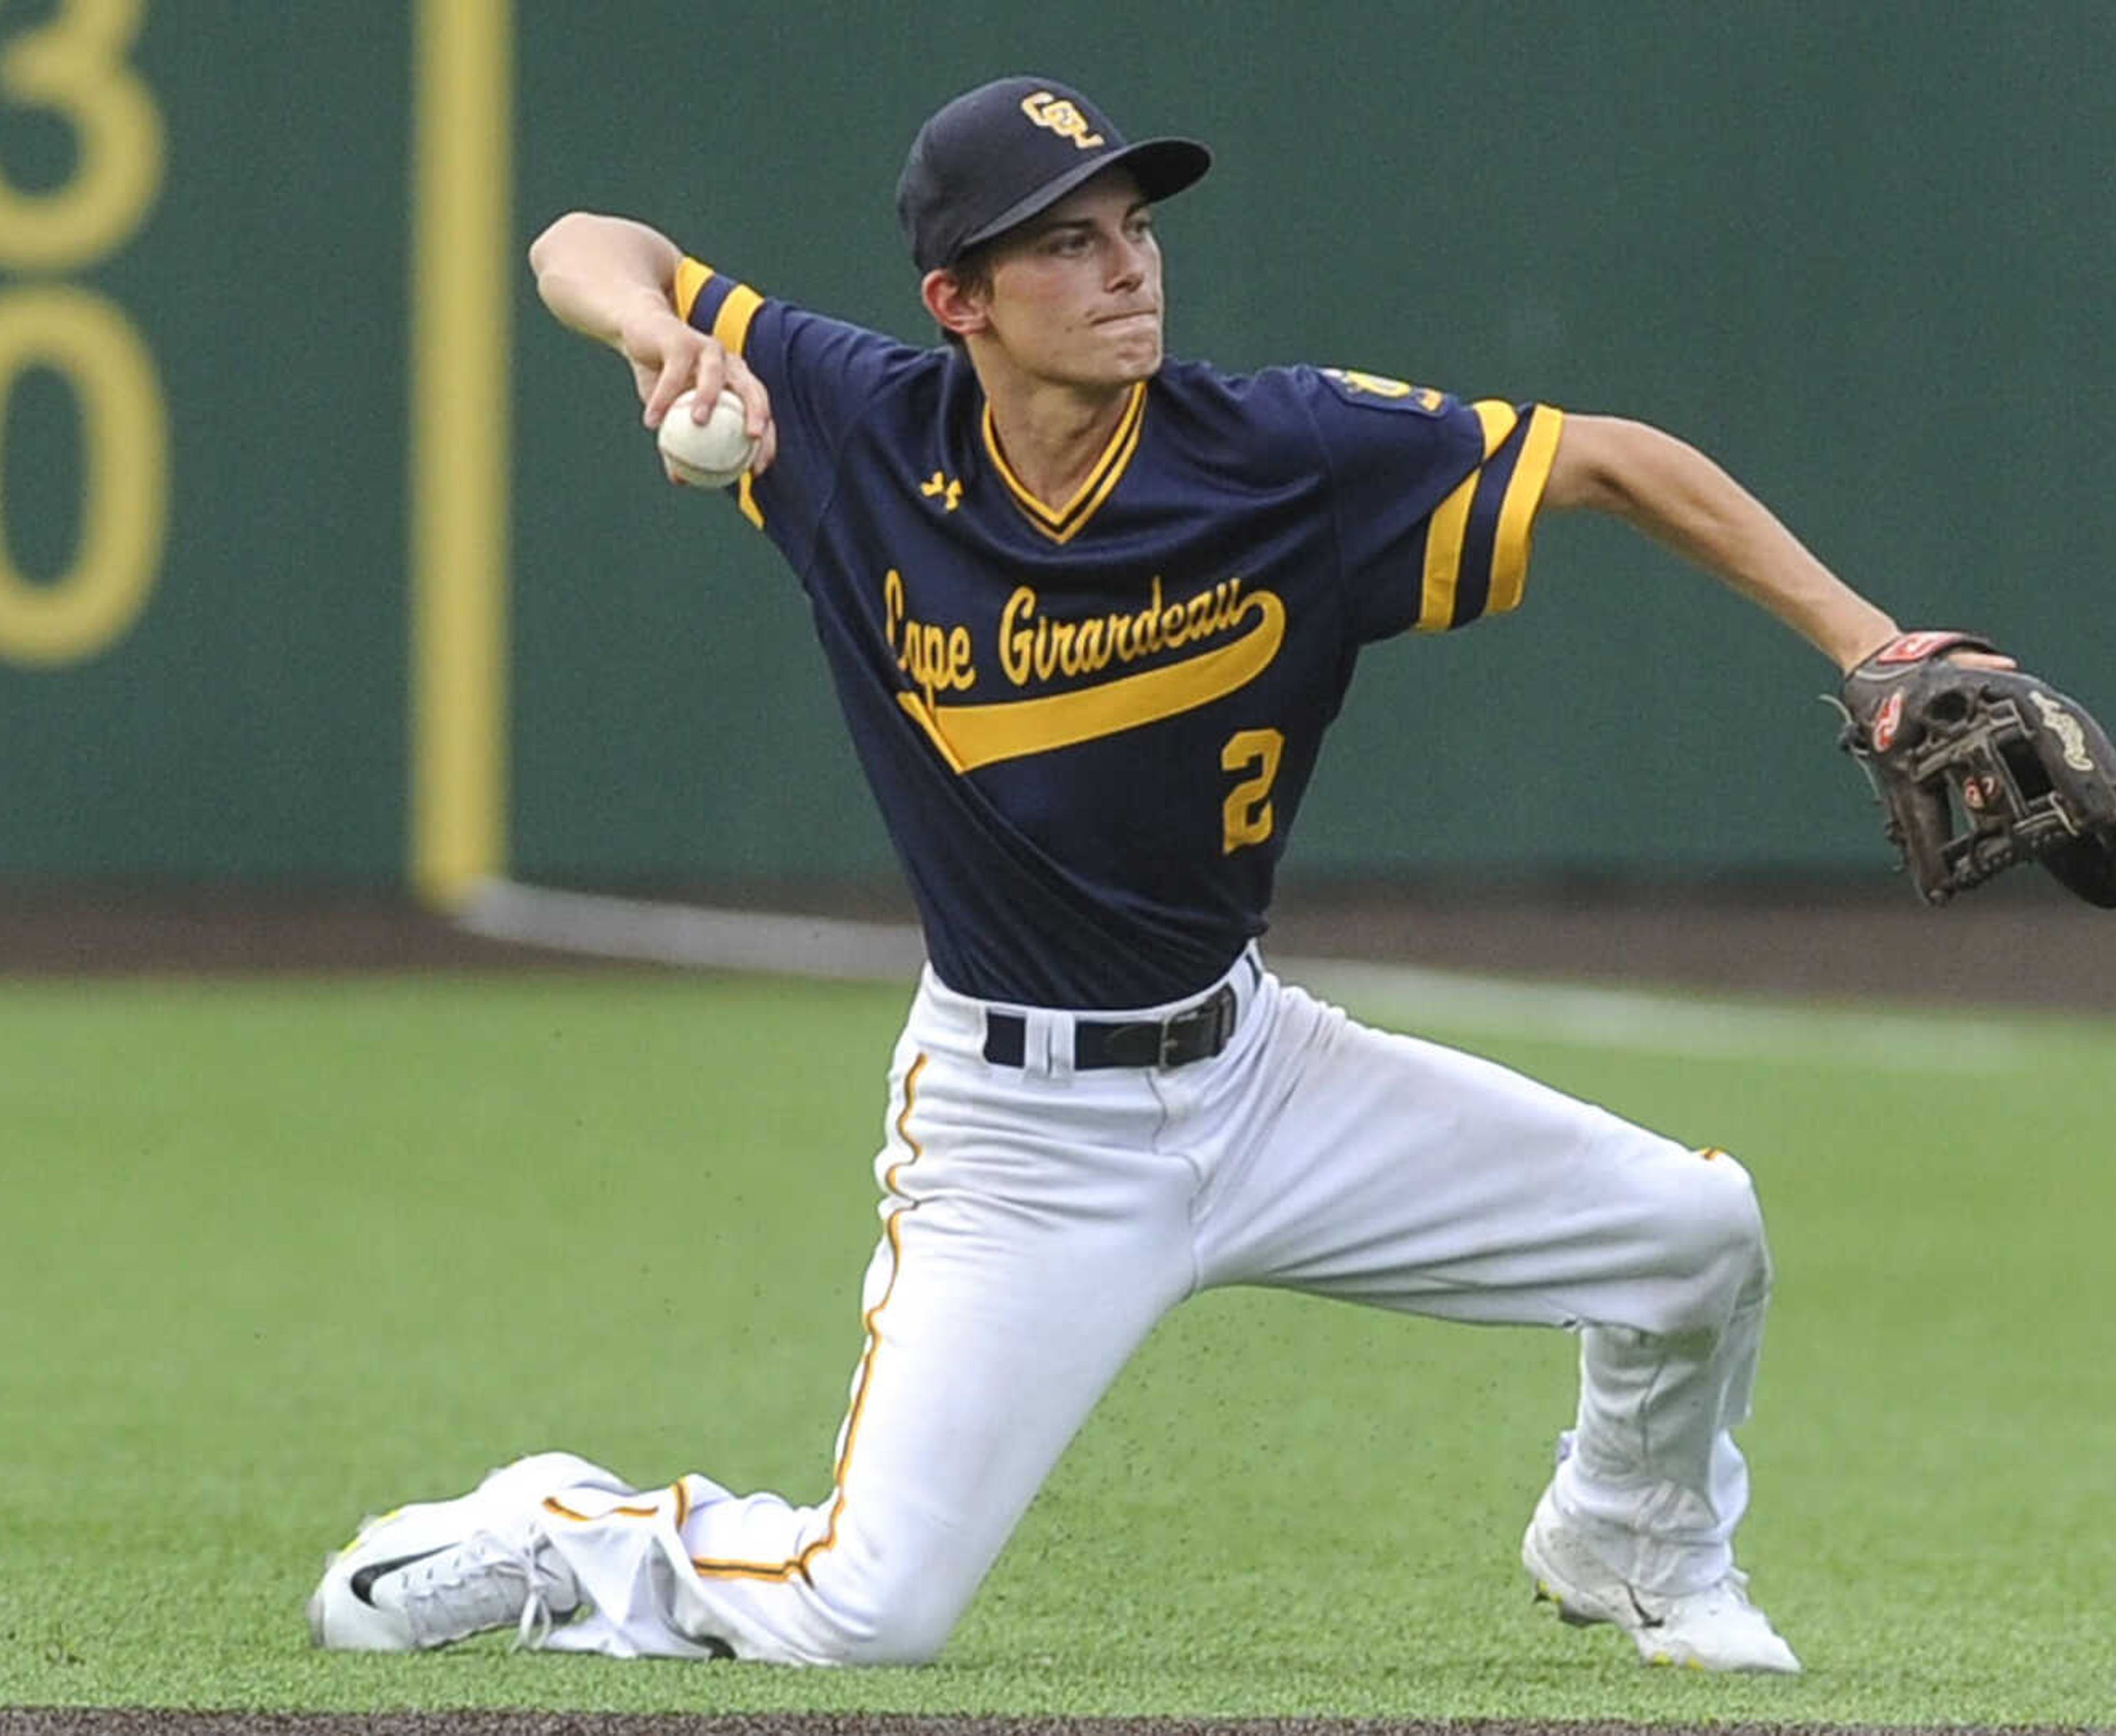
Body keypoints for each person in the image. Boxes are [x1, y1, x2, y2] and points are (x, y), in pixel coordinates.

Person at [309, 74, 1972, 1675]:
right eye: (1069, 243)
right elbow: (584, 237)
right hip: (1021, 1139)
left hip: (1261, 1078)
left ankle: (1633, 1536)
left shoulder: (1280, 457)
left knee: (1696, 1234)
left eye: (1135, 228)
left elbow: (1608, 459)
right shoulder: (850, 434)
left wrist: (1875, 644)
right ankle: (569, 1532)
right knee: (868, 1612)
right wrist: (649, 329)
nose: (1127, 269)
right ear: (961, 299)